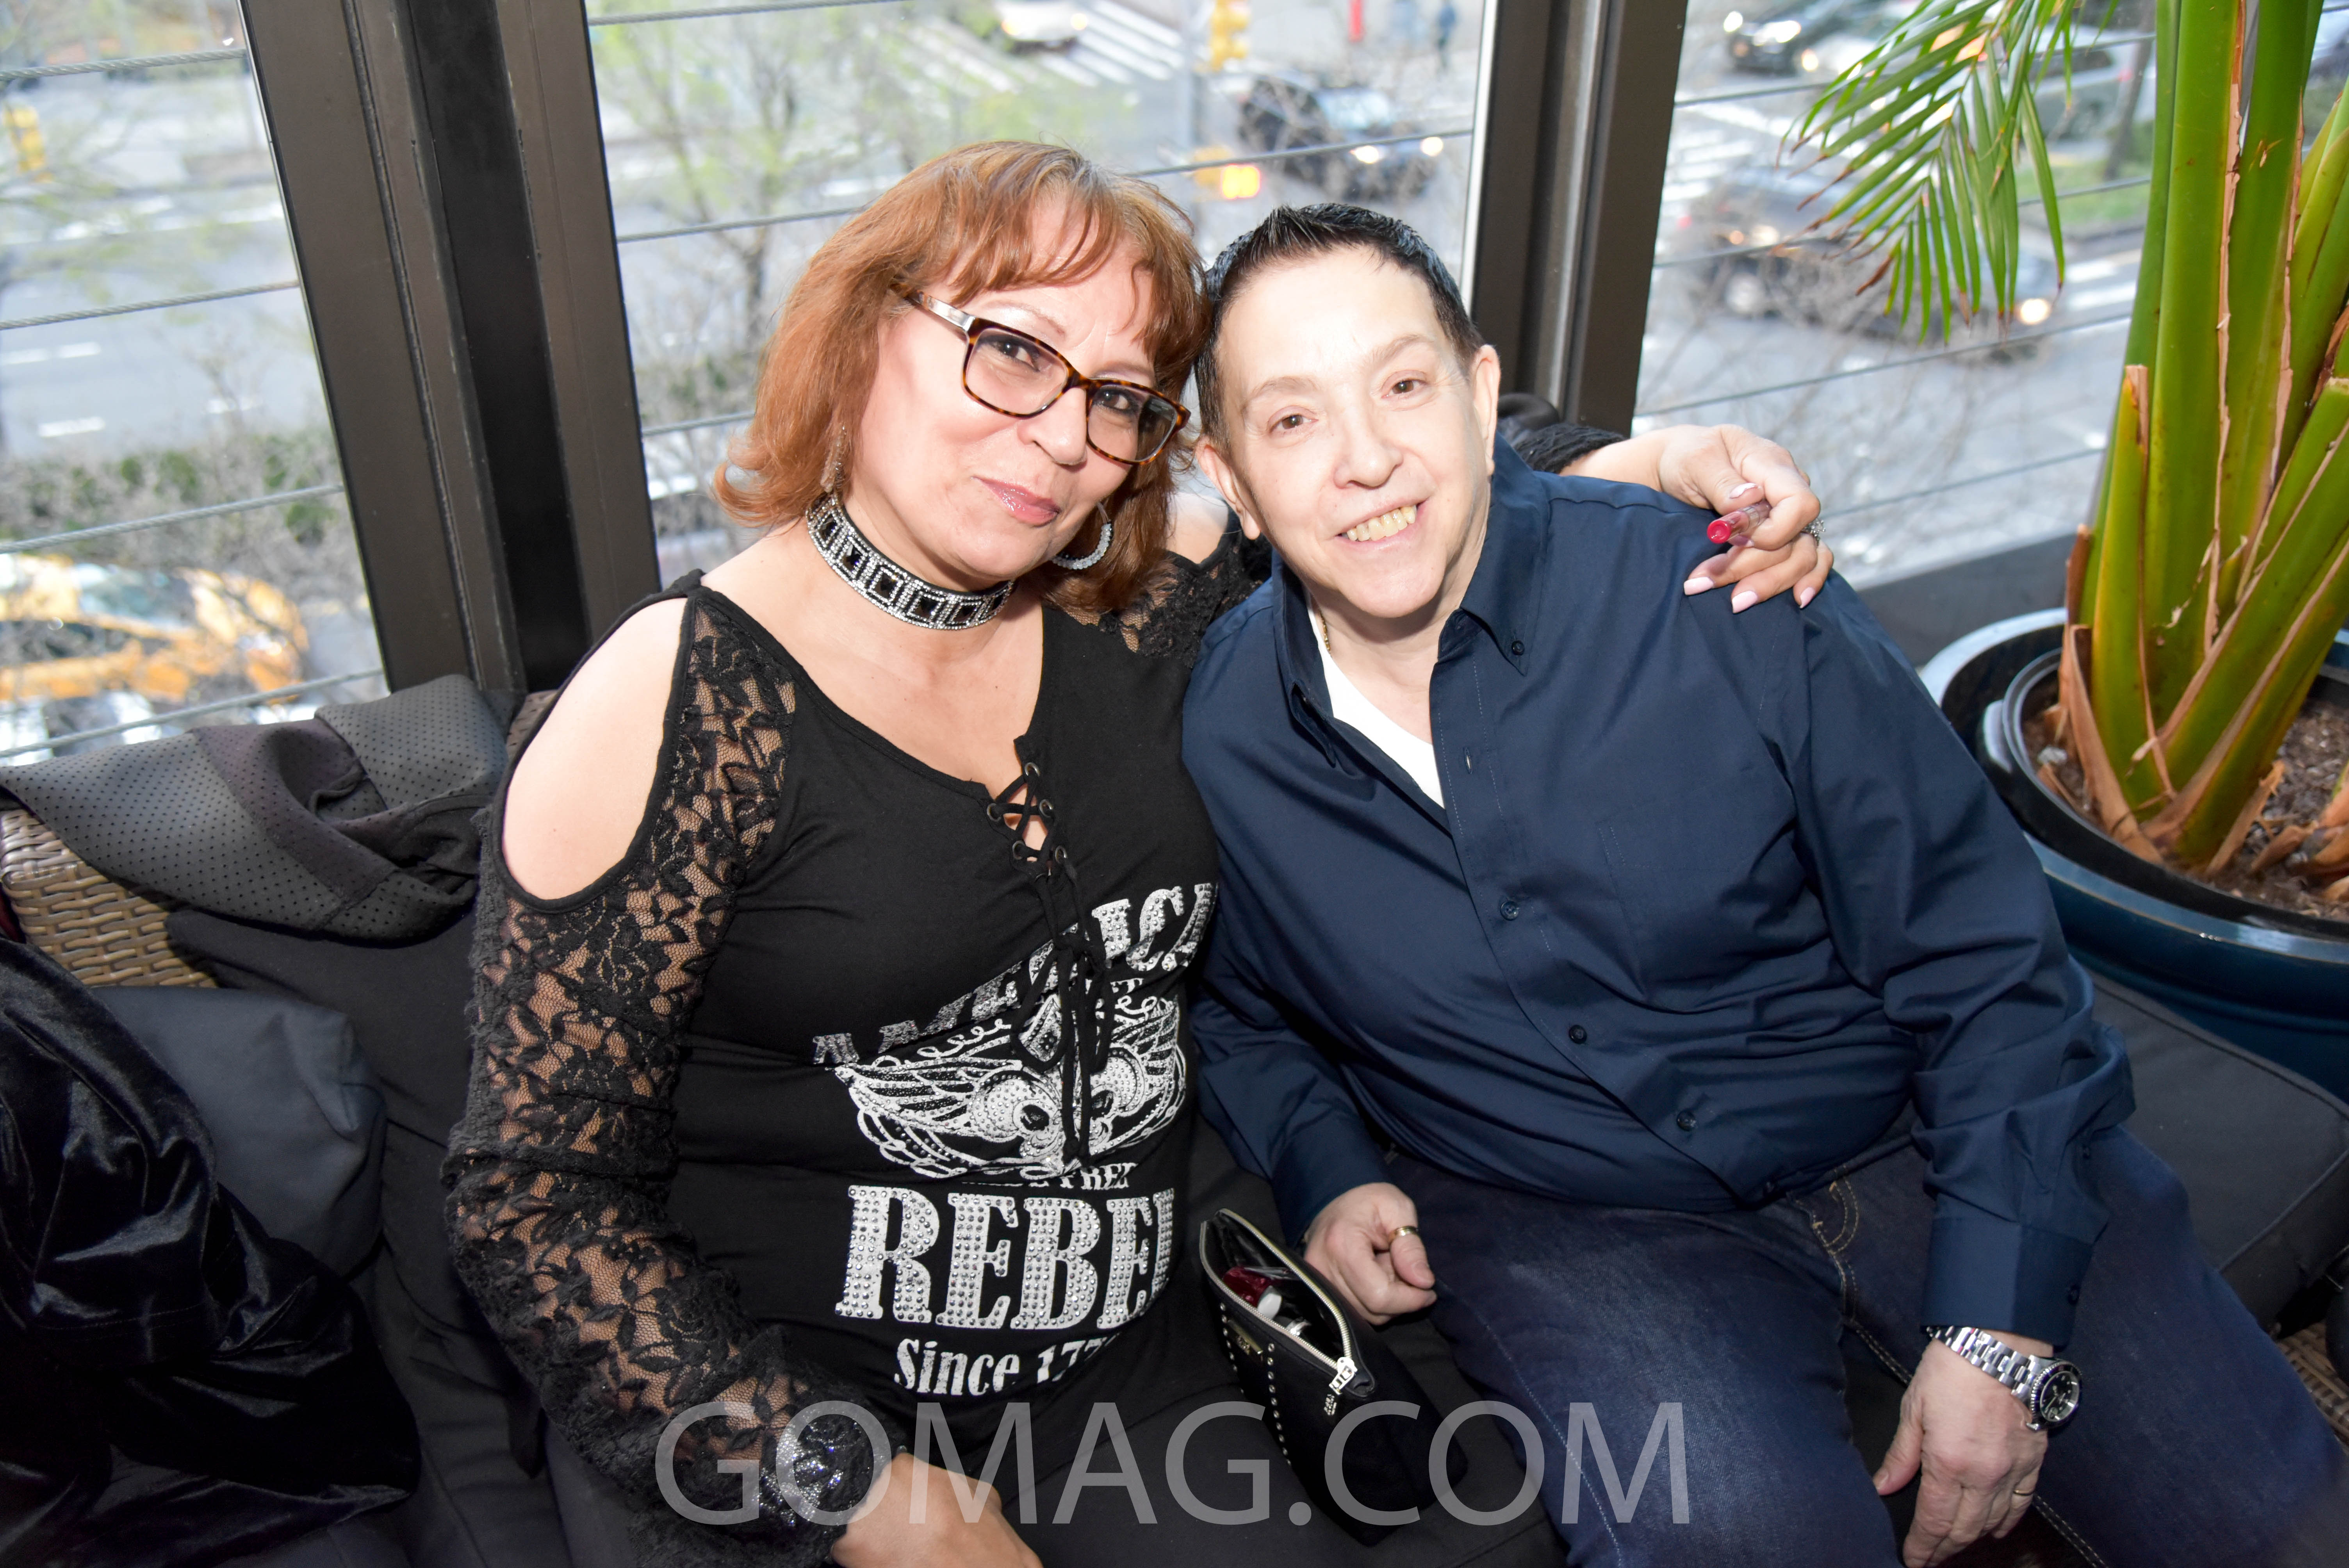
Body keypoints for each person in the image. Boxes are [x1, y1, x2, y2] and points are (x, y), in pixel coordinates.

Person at [444, 144, 1829, 1568]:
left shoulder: (1136, 613)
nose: (1063, 435)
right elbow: (528, 1199)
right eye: (1011, 350)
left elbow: (1365, 480)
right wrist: (852, 1489)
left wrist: (1655, 464)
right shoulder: (677, 703)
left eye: (1115, 396)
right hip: (809, 1394)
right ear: (862, 334)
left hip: (1132, 1359)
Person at [1180, 203, 2349, 1568]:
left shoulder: (1720, 591)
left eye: (1401, 386)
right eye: (1293, 420)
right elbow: (1239, 1009)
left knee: (2288, 1531)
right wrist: (1328, 1170)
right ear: (1232, 480)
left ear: (1483, 395)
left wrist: (2000, 1324)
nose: (1366, 459)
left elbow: (1980, 954)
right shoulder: (1225, 737)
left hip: (1904, 1121)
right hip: (1575, 1221)